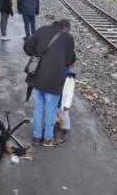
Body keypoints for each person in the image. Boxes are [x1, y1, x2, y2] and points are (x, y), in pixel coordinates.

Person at [24, 19, 76, 147]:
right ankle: (47, 139)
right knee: (51, 109)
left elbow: (27, 48)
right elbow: (70, 60)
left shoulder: (41, 30)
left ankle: (36, 137)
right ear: (65, 28)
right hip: (54, 80)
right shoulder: (68, 38)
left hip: (37, 77)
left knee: (38, 108)